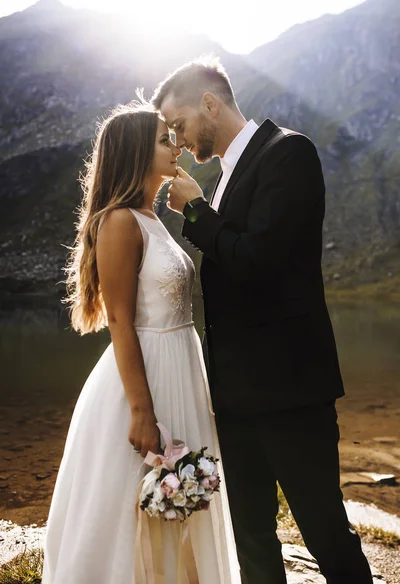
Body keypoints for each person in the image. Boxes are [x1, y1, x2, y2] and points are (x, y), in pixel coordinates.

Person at [151, 57, 373, 584]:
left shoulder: (288, 153)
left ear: (211, 103)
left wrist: (198, 213)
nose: (177, 140)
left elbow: (260, 260)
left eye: (179, 124)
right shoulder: (226, 175)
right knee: (250, 535)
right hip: (236, 396)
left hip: (290, 389)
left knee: (323, 531)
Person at [41, 101, 241, 583]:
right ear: (134, 153)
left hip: (181, 368)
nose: (176, 145)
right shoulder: (120, 222)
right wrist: (141, 412)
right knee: (132, 504)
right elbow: (120, 321)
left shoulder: (152, 219)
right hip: (145, 376)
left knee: (179, 497)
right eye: (162, 139)